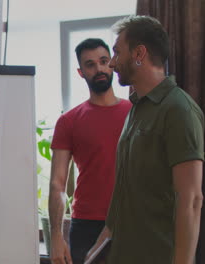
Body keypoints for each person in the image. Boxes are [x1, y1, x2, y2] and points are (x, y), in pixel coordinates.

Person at [86, 15, 204, 264]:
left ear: (139, 53)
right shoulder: (136, 109)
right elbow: (126, 192)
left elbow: (191, 199)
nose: (113, 63)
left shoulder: (178, 110)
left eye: (117, 53)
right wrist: (102, 242)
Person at [49, 38, 131, 264]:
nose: (99, 69)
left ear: (112, 63)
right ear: (80, 72)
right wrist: (55, 235)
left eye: (104, 61)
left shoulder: (136, 113)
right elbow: (58, 183)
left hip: (132, 221)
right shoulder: (68, 121)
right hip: (86, 225)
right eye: (90, 64)